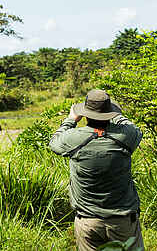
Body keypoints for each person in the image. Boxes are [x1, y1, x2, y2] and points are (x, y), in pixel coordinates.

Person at [48, 89, 144, 251]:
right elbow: (133, 128)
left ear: (85, 114)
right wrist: (116, 114)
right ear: (109, 113)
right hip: (123, 221)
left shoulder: (73, 138)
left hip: (87, 221)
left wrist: (71, 119)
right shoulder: (125, 136)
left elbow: (54, 142)